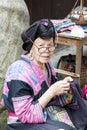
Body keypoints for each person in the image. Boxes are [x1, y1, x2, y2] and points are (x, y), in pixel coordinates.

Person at [1, 19, 87, 130]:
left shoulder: (47, 64)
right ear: (30, 44)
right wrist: (52, 91)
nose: (46, 51)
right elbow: (25, 115)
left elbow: (52, 91)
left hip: (45, 110)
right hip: (21, 122)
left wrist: (63, 85)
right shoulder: (18, 73)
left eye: (50, 45)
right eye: (41, 46)